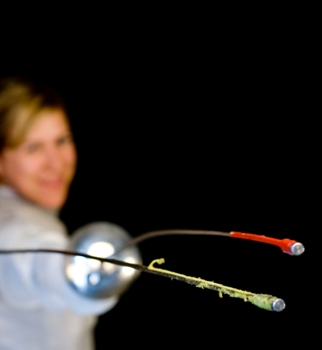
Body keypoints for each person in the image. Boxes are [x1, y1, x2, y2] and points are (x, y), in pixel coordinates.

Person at [0, 77, 139, 350]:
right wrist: (73, 274)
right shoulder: (12, 224)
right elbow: (31, 257)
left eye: (61, 140)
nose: (56, 162)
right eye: (34, 147)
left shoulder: (36, 214)